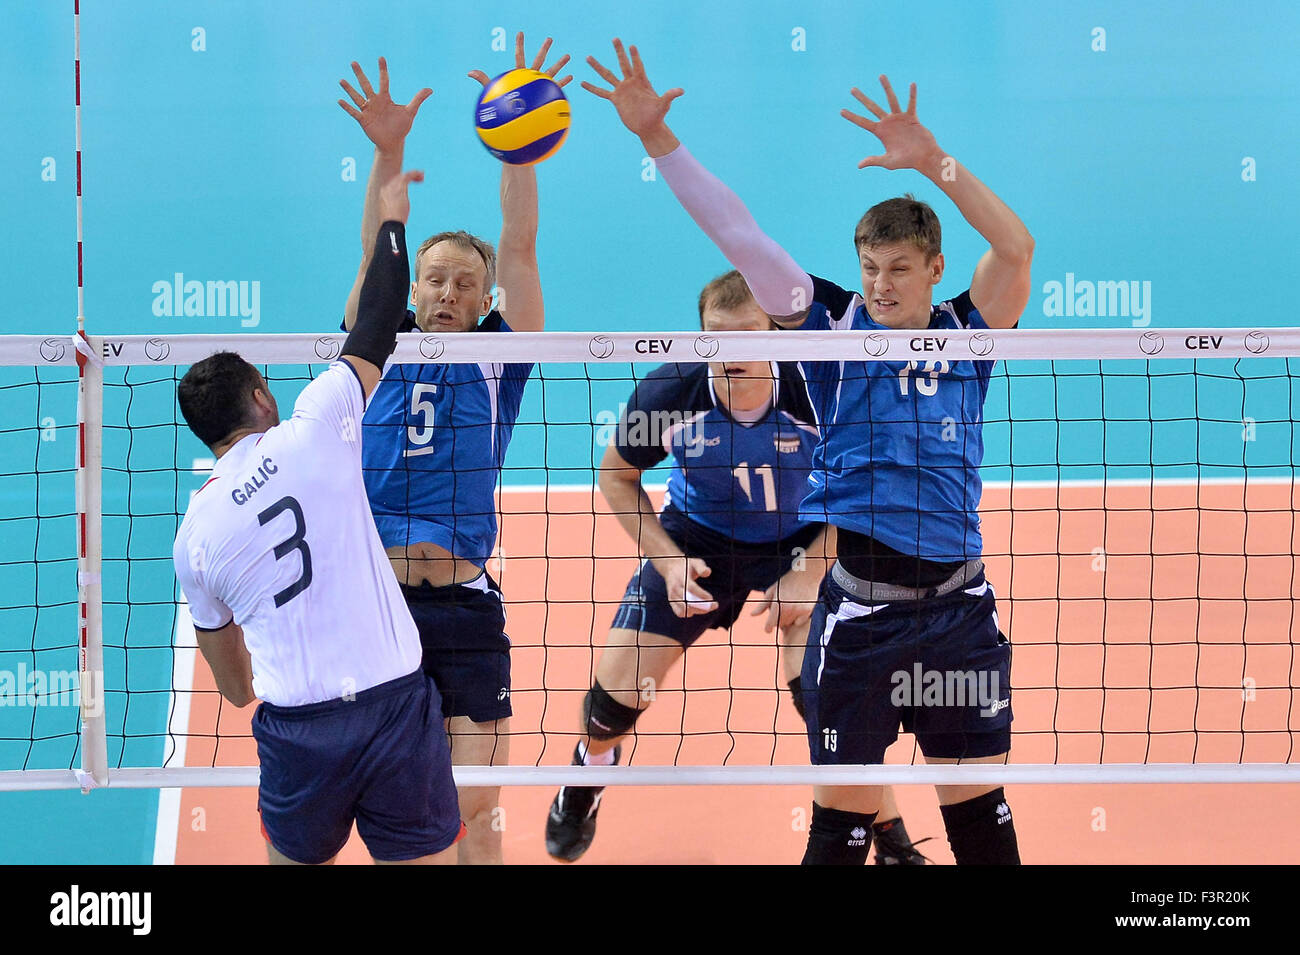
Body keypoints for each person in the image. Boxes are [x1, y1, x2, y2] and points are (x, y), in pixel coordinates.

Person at [584, 40, 1034, 865]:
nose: (883, 284)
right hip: (861, 616)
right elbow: (739, 232)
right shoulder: (827, 332)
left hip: (961, 613)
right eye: (870, 269)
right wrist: (657, 140)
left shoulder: (970, 334)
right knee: (839, 833)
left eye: (901, 268)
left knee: (980, 823)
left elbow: (1016, 249)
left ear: (935, 268)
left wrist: (937, 162)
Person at [545, 270, 926, 865]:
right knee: (613, 701)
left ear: (775, 332)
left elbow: (868, 483)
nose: (731, 356)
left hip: (805, 537)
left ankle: (893, 841)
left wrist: (808, 569)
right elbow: (617, 477)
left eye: (748, 337)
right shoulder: (672, 392)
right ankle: (589, 773)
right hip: (698, 539)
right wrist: (667, 562)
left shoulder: (814, 386)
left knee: (823, 701)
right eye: (717, 341)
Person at [171, 168, 460, 865]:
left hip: (299, 732)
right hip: (394, 709)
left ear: (204, 434)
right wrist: (392, 218)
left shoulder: (194, 541)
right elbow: (380, 318)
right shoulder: (315, 424)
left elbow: (236, 687)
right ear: (263, 398)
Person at [335, 37, 567, 864]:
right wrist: (388, 151)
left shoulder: (500, 362)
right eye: (434, 277)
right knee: (396, 808)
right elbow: (374, 255)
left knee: (477, 808)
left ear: (483, 299)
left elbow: (523, 244)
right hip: (371, 607)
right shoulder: (374, 349)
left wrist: (519, 145)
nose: (448, 292)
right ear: (415, 285)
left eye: (467, 283)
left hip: (465, 606)